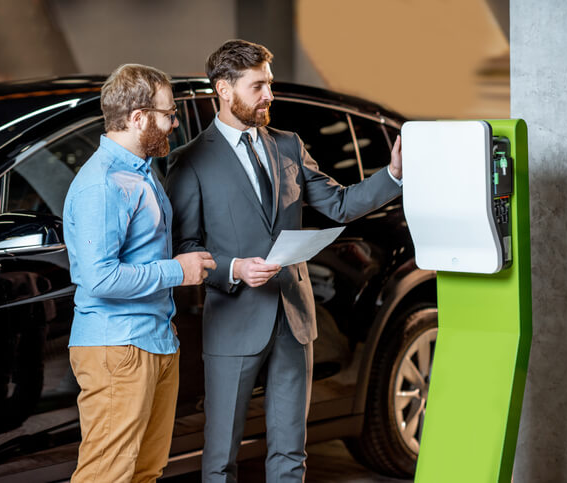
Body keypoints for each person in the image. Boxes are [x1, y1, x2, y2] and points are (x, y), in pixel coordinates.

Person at [166, 39, 403, 482]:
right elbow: (185, 248)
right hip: (234, 320)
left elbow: (337, 204)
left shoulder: (289, 146)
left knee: (291, 453)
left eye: (269, 85)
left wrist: (393, 177)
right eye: (258, 86)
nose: (269, 96)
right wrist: (235, 268)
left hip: (295, 320)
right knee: (220, 459)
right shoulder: (190, 161)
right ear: (223, 88)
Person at [63, 63, 216, 483]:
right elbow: (99, 278)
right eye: (168, 114)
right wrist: (176, 270)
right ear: (138, 117)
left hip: (153, 341)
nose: (174, 123)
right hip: (118, 348)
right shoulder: (104, 183)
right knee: (106, 475)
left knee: (146, 472)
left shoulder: (140, 174)